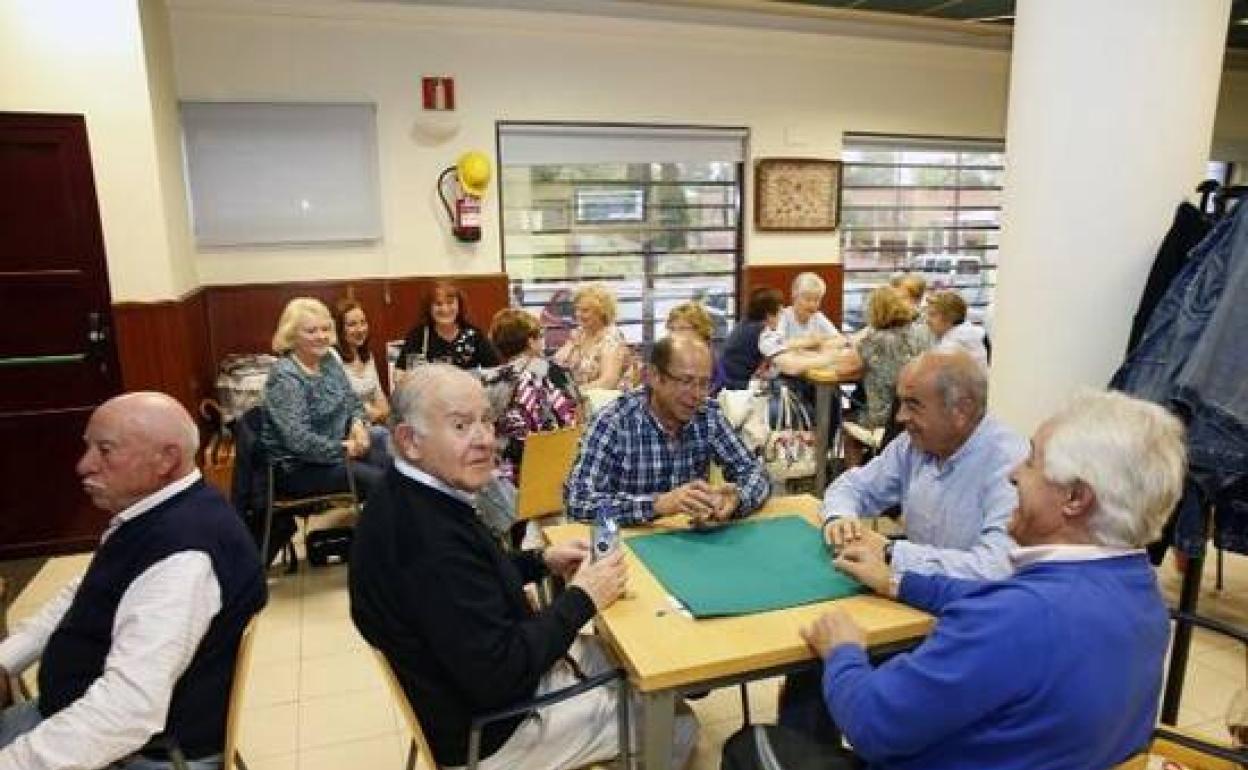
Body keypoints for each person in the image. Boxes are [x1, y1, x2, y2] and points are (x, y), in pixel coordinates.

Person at [775, 390, 1184, 770]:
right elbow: (999, 598)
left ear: (1076, 498)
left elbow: (873, 726)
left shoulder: (1014, 617)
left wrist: (844, 650)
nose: (1012, 475)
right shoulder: (1140, 590)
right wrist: (898, 582)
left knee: (755, 743)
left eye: (1031, 462)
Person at [349, 365, 696, 770]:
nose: (485, 440)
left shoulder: (410, 494)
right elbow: (501, 673)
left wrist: (538, 561)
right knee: (674, 723)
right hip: (493, 731)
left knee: (641, 672)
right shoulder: (427, 541)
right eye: (461, 426)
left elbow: (467, 582)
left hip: (467, 689)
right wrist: (584, 597)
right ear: (409, 441)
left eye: (487, 421)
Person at [0, 392, 266, 770]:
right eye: (88, 448)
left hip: (134, 753)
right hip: (85, 723)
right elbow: (89, 590)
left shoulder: (183, 555)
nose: (83, 465)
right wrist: (8, 659)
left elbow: (127, 711)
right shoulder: (162, 512)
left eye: (104, 451)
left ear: (166, 459)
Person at [822, 350, 1026, 579]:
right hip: (911, 591)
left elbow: (996, 568)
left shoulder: (1011, 465)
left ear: (962, 410)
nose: (900, 417)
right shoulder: (913, 444)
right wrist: (840, 518)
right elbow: (852, 486)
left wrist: (891, 553)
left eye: (913, 405)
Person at [565, 333, 770, 526]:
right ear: (654, 376)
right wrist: (658, 504)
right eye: (686, 381)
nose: (697, 394)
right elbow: (578, 502)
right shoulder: (614, 422)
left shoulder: (708, 416)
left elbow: (755, 472)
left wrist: (736, 499)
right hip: (625, 547)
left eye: (704, 384)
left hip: (689, 541)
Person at [261, 297, 387, 501]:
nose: (321, 336)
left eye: (325, 329)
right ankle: (379, 528)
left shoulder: (327, 360)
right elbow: (299, 441)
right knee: (379, 481)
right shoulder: (285, 377)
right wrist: (345, 448)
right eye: (311, 331)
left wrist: (357, 426)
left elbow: (352, 401)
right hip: (299, 467)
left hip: (338, 448)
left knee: (390, 454)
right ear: (292, 335)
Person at [484, 308, 580, 486]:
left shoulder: (489, 381)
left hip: (510, 479)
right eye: (540, 336)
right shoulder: (559, 372)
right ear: (531, 341)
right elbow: (579, 418)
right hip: (563, 469)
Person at [842, 287, 931, 466]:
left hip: (884, 417)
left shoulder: (873, 341)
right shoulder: (923, 333)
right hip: (920, 411)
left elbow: (844, 369)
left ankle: (858, 482)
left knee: (848, 428)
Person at [395, 280, 498, 376]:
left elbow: (495, 370)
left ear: (459, 305)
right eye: (438, 304)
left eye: (450, 303)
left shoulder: (474, 335)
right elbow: (399, 373)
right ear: (429, 308)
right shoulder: (418, 335)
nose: (445, 309)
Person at [552, 283, 631, 390]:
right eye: (577, 309)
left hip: (602, 402)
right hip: (578, 399)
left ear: (602, 312)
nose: (578, 314)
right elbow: (557, 363)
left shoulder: (611, 338)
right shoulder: (580, 332)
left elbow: (608, 382)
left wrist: (574, 393)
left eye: (585, 310)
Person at [332, 297, 390, 425]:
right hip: (350, 427)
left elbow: (378, 394)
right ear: (339, 329)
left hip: (373, 423)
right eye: (352, 324)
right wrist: (376, 414)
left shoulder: (367, 354)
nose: (360, 329)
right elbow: (343, 403)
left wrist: (384, 414)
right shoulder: (333, 357)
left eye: (363, 322)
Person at [720, 287, 787, 390]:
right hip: (737, 388)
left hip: (728, 384)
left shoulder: (746, 324)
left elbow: (782, 344)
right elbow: (788, 364)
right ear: (769, 315)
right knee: (785, 385)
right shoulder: (761, 332)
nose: (782, 315)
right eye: (780, 312)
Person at [926, 289, 988, 369]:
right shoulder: (976, 333)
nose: (927, 320)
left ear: (949, 316)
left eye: (932, 315)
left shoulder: (950, 347)